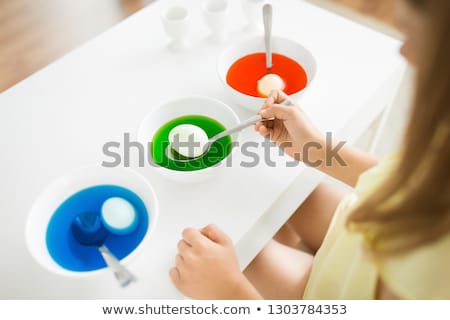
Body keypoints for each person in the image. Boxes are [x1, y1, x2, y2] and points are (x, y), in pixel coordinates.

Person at [169, 0, 450, 299]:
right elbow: (411, 180)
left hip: (333, 292)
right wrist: (317, 151)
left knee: (243, 247)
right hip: (362, 227)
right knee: (290, 191)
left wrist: (230, 290)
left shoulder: (428, 281)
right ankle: (288, 238)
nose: (402, 51)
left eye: (411, 36)